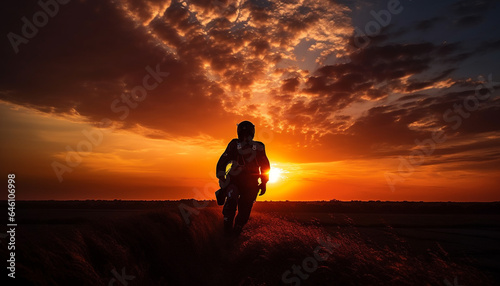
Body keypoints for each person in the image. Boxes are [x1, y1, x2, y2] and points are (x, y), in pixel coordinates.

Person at [216, 121, 270, 235]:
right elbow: (223, 161)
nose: (246, 136)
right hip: (235, 182)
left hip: (248, 184)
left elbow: (265, 166)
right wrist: (221, 177)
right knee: (233, 201)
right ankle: (228, 230)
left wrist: (264, 182)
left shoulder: (258, 146)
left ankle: (235, 231)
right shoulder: (235, 145)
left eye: (247, 133)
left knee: (244, 208)